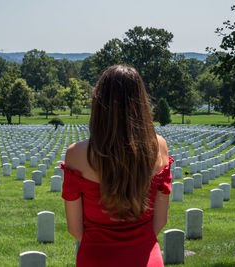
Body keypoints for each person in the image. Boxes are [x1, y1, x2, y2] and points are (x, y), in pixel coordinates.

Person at [61, 65, 173, 267]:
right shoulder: (159, 147)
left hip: (96, 258)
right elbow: (160, 221)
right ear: (141, 102)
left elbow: (75, 229)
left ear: (99, 102)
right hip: (145, 257)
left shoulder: (77, 154)